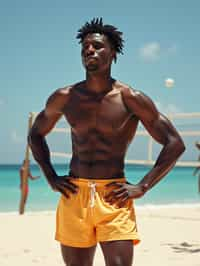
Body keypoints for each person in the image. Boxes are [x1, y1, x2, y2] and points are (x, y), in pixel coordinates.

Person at [28, 18, 185, 266]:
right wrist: (50, 177)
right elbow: (35, 134)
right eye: (85, 47)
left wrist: (143, 186)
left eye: (98, 46)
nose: (90, 50)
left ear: (112, 53)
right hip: (74, 194)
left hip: (114, 197)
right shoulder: (65, 97)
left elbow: (175, 143)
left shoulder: (130, 98)